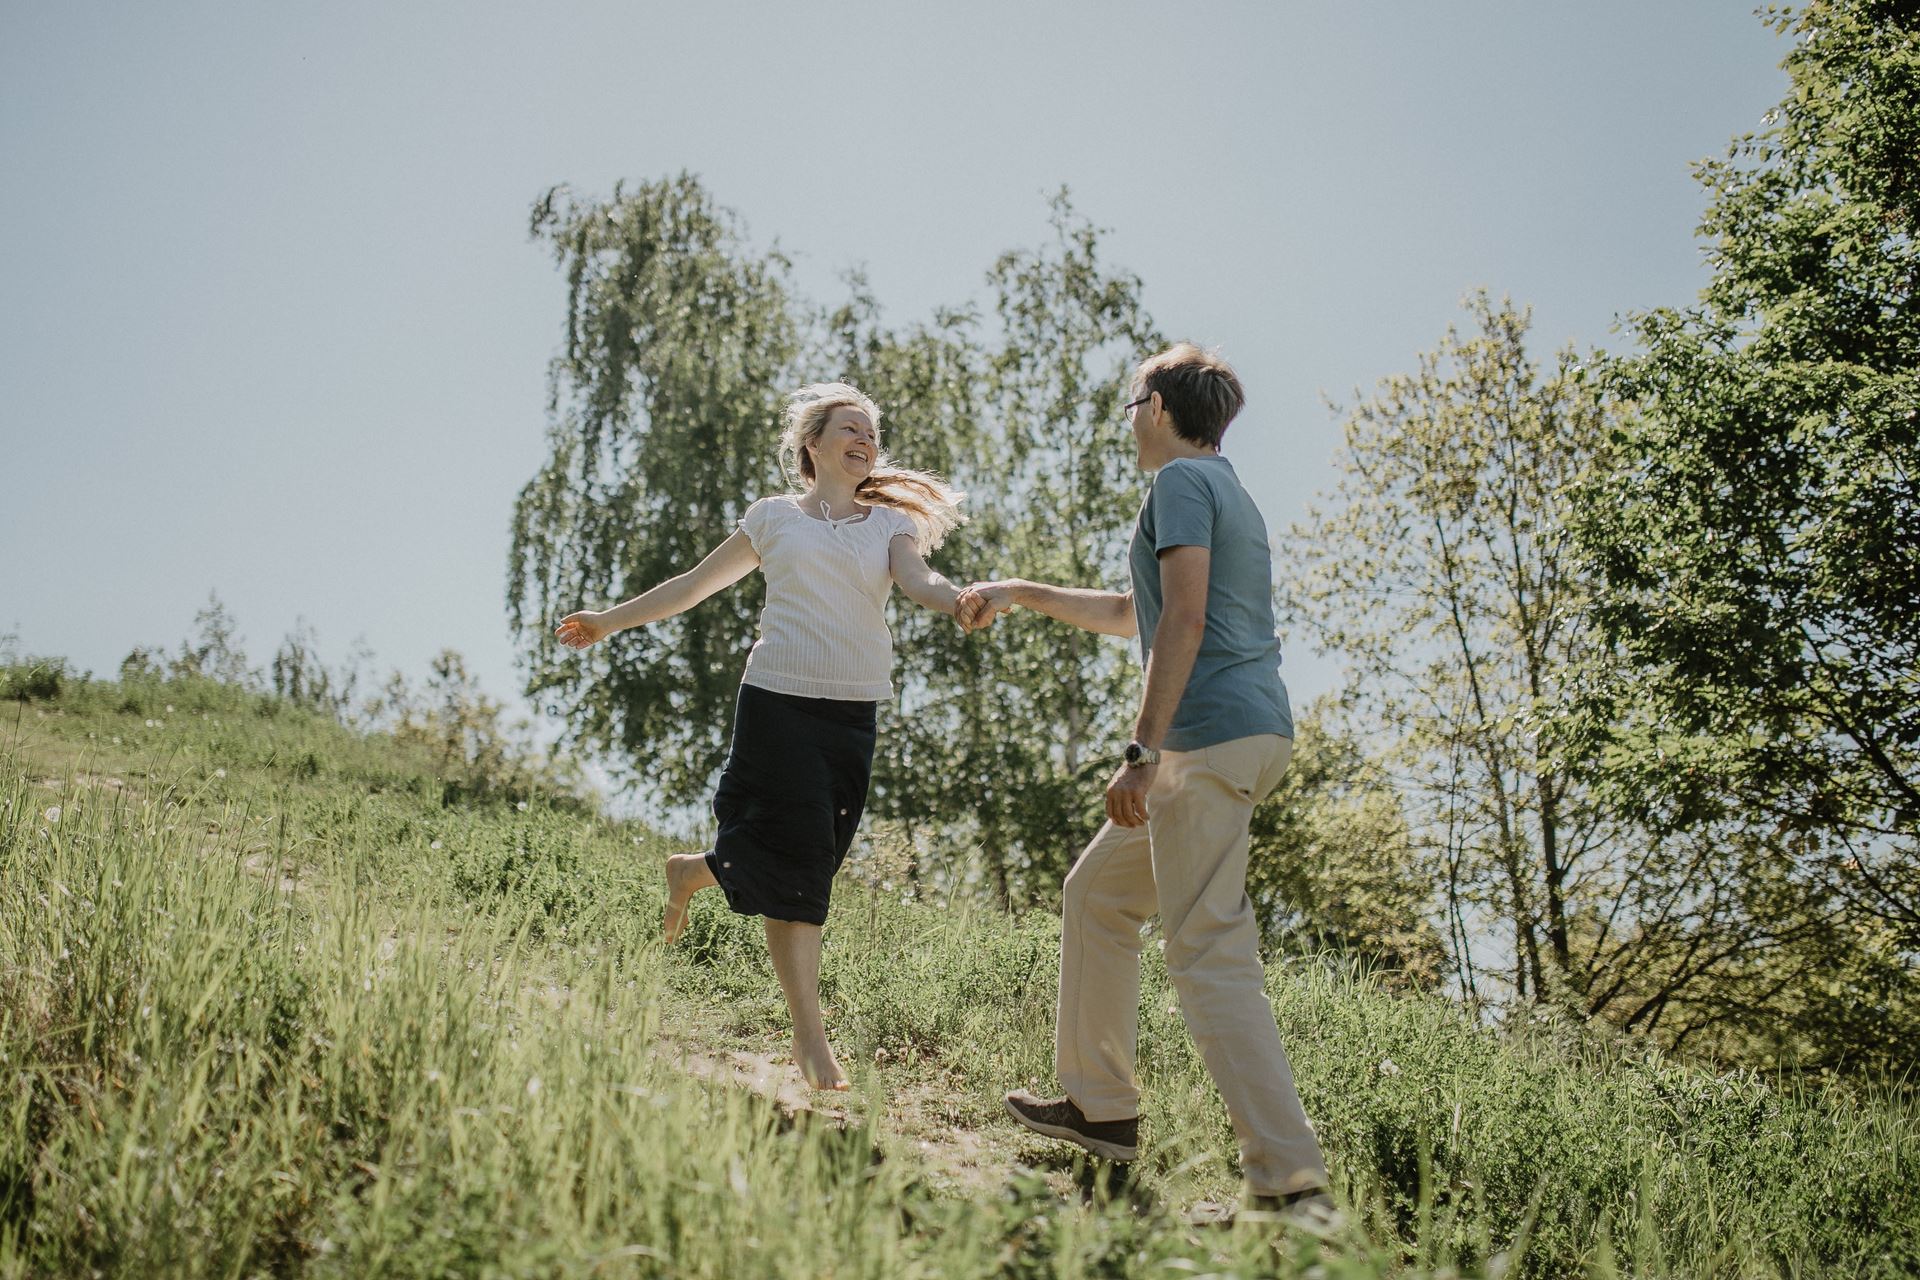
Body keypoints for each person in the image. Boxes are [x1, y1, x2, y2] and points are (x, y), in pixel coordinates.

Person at [957, 343, 1335, 1221]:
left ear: (1157, 407)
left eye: (1132, 404)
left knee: (1208, 954)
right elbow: (1142, 613)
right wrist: (1019, 591)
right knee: (1097, 894)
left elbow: (1188, 621)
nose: (1129, 421)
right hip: (1239, 738)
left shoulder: (1179, 486)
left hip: (1206, 743)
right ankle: (1101, 1109)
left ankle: (1292, 1184)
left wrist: (1141, 750)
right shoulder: (1218, 489)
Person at [556, 382, 976, 1091]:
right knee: (803, 865)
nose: (864, 438)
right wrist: (608, 620)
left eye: (872, 431)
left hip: (851, 715)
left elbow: (918, 579)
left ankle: (692, 872)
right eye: (849, 426)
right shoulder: (774, 518)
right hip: (777, 703)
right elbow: (693, 585)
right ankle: (811, 1040)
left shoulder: (889, 526)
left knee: (807, 859)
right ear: (813, 445)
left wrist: (957, 598)